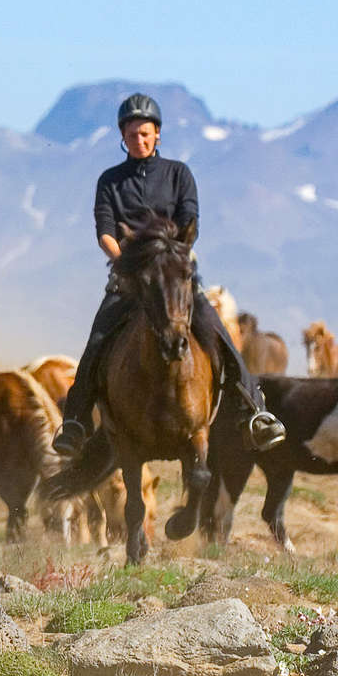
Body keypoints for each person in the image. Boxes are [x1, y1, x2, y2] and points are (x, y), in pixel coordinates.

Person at [51, 93, 284, 458]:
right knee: (97, 340)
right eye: (131, 135)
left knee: (217, 332)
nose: (139, 140)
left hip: (176, 280)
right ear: (122, 138)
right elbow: (105, 232)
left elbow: (190, 222)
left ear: (157, 133)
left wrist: (169, 260)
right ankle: (76, 422)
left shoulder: (179, 174)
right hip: (129, 281)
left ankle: (256, 411)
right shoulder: (110, 181)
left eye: (145, 133)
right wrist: (127, 264)